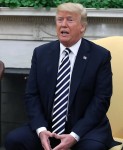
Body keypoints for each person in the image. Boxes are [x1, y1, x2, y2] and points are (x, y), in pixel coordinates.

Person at [5, 2, 120, 150]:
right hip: (48, 127)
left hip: (86, 130)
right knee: (14, 140)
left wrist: (74, 135)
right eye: (60, 20)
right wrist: (41, 130)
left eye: (70, 20)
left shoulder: (100, 56)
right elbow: (31, 95)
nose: (63, 25)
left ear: (82, 27)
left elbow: (101, 100)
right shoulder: (41, 53)